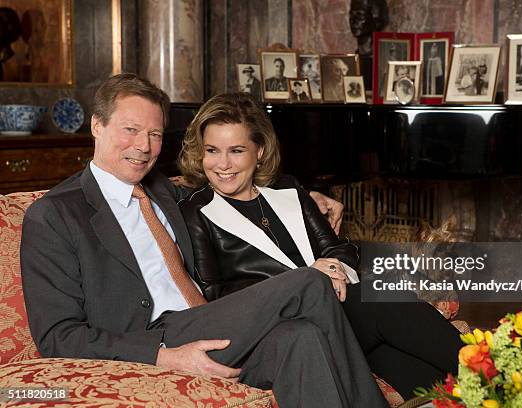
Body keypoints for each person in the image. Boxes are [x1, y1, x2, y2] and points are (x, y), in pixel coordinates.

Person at [20, 73, 388, 408]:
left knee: (302, 336)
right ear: (97, 126)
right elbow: (58, 336)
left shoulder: (162, 189)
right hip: (154, 336)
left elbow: (230, 185)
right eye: (130, 130)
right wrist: (163, 355)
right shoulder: (55, 214)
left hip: (209, 319)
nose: (144, 147)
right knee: (310, 282)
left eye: (155, 135)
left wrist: (306, 197)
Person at [178, 92, 464, 399]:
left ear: (259, 151)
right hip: (277, 324)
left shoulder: (288, 190)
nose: (222, 164)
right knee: (382, 298)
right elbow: (214, 295)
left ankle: (495, 386)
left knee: (426, 376)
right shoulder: (196, 212)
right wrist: (304, 281)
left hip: (336, 310)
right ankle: (496, 362)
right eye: (212, 150)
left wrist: (335, 270)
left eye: (236, 150)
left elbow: (339, 247)